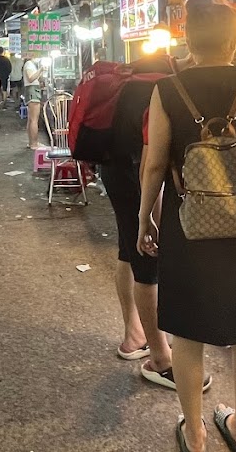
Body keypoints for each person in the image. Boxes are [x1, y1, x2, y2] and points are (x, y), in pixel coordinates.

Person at [138, 0, 236, 452]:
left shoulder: (168, 89)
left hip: (189, 224)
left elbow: (154, 166)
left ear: (187, 39)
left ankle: (197, 434)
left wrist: (145, 217)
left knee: (186, 331)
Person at [98, 47, 184, 384]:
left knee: (127, 252)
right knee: (148, 260)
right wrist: (150, 215)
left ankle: (135, 336)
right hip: (137, 178)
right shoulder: (158, 92)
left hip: (114, 172)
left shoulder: (128, 84)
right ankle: (162, 359)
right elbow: (152, 162)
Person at [23, 54, 45, 149]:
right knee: (34, 120)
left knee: (31, 119)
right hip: (32, 91)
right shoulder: (29, 64)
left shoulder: (30, 64)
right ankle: (34, 143)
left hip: (32, 90)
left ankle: (32, 142)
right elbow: (31, 78)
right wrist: (41, 69)